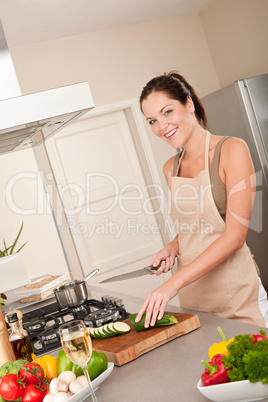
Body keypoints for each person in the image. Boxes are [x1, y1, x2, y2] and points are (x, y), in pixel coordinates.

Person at [135, 71, 268, 329]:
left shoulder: (231, 150)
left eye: (167, 112)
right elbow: (192, 229)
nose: (161, 127)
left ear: (189, 104)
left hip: (238, 295)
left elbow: (234, 236)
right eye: (152, 120)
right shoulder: (170, 168)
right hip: (194, 298)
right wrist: (172, 247)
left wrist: (170, 285)